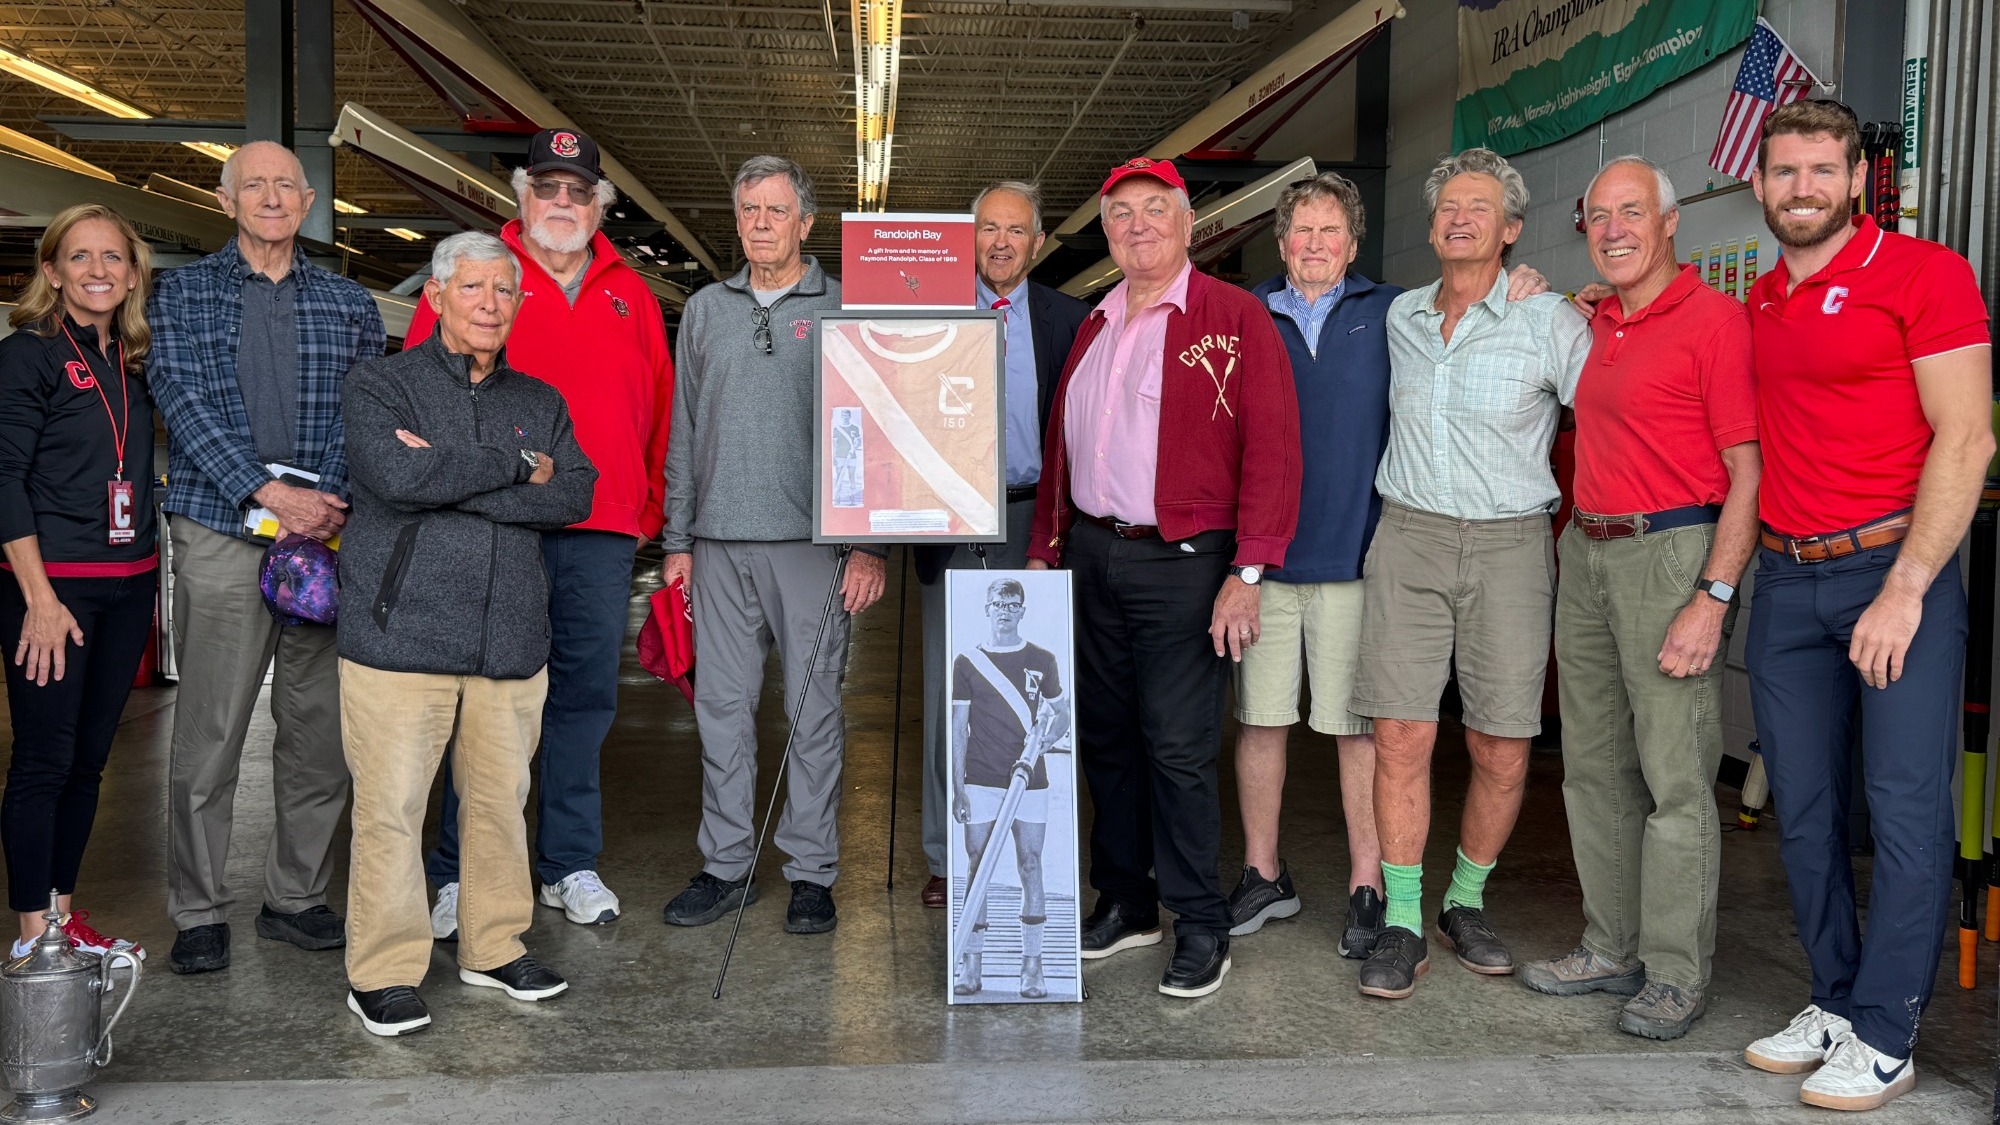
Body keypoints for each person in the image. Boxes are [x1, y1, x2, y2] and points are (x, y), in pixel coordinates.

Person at [1736, 100, 1992, 1112]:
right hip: (1786, 581)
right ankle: (1835, 1001)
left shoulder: (1924, 276)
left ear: (1853, 181)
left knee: (1902, 810)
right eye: (1780, 170)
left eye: (1816, 170)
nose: (1797, 187)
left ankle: (1886, 1029)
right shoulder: (1759, 299)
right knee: (1801, 812)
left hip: (1892, 576)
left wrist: (1905, 589)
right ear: (1757, 184)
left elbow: (1964, 439)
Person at [1028, 157, 1302, 1000]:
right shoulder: (1094, 323)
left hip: (1186, 561)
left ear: (1188, 224)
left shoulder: (1233, 315)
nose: (1137, 224)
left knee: (1178, 748)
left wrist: (1248, 569)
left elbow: (1275, 449)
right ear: (1106, 232)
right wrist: (1047, 546)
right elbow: (1062, 449)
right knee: (1105, 738)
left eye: (1155, 209)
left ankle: (1200, 920)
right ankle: (1128, 899)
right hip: (1095, 555)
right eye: (1121, 214)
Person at [1515, 157, 1760, 1042]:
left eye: (1632, 213)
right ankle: (1610, 944)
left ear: (1669, 224)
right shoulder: (1595, 322)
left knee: (1676, 781)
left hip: (1671, 552)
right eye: (1598, 216)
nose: (1613, 229)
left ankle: (1674, 971)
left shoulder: (1716, 322)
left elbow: (1747, 475)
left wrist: (1712, 596)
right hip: (1587, 547)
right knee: (1592, 767)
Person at [408, 128, 674, 939]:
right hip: (498, 526)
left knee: (583, 702)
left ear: (600, 207)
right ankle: (461, 871)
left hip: (599, 531)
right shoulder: (474, 278)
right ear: (522, 197)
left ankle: (568, 862)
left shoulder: (633, 294)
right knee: (486, 701)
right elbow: (425, 398)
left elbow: (661, 411)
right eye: (548, 188)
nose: (564, 203)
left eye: (580, 192)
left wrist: (646, 508)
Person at [336, 231, 597, 1037]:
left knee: (497, 805)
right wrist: (519, 466)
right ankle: (381, 971)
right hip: (401, 640)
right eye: (474, 288)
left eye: (504, 292)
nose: (491, 304)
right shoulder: (381, 386)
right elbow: (399, 476)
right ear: (438, 297)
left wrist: (453, 473)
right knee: (391, 808)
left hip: (509, 641)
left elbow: (575, 495)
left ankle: (492, 945)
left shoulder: (541, 401)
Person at [1348, 147, 1590, 1000]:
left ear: (1512, 229)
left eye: (1479, 207)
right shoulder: (1400, 315)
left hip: (1510, 544)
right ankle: (1405, 918)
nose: (1459, 218)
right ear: (1432, 225)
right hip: (1408, 537)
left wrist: (1588, 299)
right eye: (1448, 206)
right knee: (1401, 734)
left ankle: (1465, 900)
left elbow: (1614, 399)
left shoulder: (1551, 319)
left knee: (1501, 739)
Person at [148, 140, 385, 974]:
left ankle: (296, 896)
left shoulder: (350, 301)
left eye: (287, 185)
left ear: (310, 199)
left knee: (318, 732)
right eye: (255, 185)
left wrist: (320, 502)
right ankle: (201, 906)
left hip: (324, 534)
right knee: (212, 730)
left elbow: (364, 406)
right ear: (226, 199)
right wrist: (264, 492)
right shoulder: (181, 292)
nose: (272, 198)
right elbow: (178, 393)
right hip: (220, 526)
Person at [661, 156, 888, 936]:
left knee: (812, 710)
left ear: (806, 223)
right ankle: (726, 863)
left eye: (775, 209)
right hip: (719, 545)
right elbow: (684, 432)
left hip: (812, 547)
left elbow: (878, 429)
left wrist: (870, 547)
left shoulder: (846, 305)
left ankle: (811, 871)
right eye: (749, 209)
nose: (760, 222)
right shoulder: (704, 311)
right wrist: (679, 537)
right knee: (722, 711)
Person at [917, 181, 1089, 909]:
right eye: (988, 227)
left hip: (1036, 517)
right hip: (949, 525)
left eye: (1015, 231)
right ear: (970, 237)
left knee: (1040, 691)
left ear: (1037, 243)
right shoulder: (927, 315)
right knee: (949, 693)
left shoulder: (1069, 320)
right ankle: (945, 852)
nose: (999, 242)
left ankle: (1048, 855)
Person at [0, 204, 158, 962]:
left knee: (90, 758)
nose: (99, 270)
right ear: (53, 269)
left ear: (133, 272)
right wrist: (37, 598)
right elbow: (2, 478)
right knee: (44, 758)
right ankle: (33, 932)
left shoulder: (127, 359)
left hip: (128, 585)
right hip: (54, 588)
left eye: (113, 257)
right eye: (81, 256)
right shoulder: (26, 356)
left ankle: (63, 916)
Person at [950, 577, 1071, 997]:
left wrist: (1045, 742)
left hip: (1030, 779)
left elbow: (1062, 714)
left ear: (1022, 610)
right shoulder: (967, 661)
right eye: (998, 602)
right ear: (987, 608)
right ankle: (971, 965)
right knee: (977, 868)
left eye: (1012, 603)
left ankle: (1032, 967)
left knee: (1031, 863)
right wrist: (956, 786)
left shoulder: (1043, 658)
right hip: (980, 777)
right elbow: (958, 728)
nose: (1005, 609)